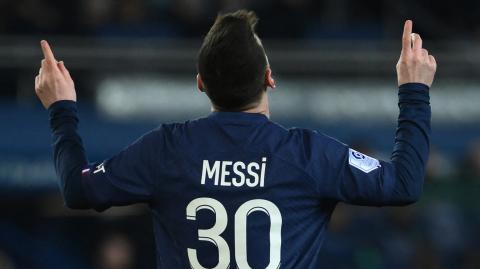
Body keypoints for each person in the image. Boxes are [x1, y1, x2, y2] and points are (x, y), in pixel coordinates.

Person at [35, 10, 436, 269]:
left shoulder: (167, 149)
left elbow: (79, 188)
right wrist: (413, 90)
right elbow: (403, 183)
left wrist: (62, 111)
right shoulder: (307, 153)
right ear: (269, 78)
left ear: (200, 84)